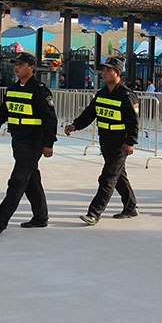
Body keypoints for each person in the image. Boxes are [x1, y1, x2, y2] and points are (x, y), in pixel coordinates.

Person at [0, 52, 57, 234]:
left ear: (32, 67)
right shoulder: (12, 89)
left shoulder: (39, 90)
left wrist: (49, 143)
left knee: (17, 180)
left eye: (21, 65)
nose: (17, 67)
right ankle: (40, 217)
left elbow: (50, 119)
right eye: (16, 64)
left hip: (33, 141)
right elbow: (2, 113)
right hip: (18, 140)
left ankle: (0, 221)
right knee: (31, 180)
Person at [65, 57, 139, 225]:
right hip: (106, 140)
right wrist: (75, 125)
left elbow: (133, 122)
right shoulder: (102, 93)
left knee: (108, 178)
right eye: (103, 70)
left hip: (120, 143)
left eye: (108, 70)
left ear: (118, 73)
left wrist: (130, 142)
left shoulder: (127, 95)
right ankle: (130, 207)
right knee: (119, 176)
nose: (104, 73)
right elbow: (90, 113)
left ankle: (94, 213)